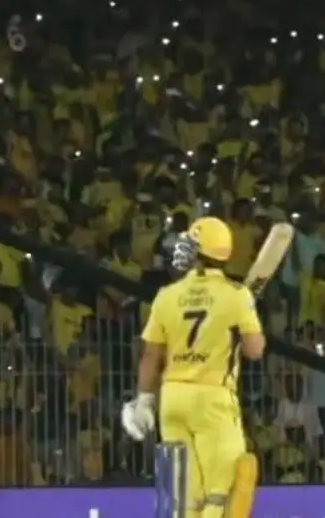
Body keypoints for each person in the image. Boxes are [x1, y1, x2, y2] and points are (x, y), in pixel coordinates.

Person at [121, 216, 265, 518]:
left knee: (185, 499)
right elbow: (254, 350)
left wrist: (144, 400)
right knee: (224, 491)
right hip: (213, 398)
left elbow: (150, 355)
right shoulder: (237, 295)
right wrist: (247, 320)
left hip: (172, 399)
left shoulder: (167, 295)